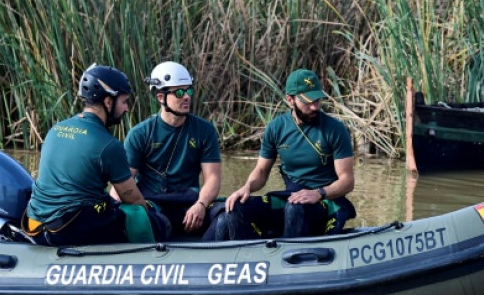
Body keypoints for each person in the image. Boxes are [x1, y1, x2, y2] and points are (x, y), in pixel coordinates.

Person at [24, 63, 170, 246]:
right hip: (68, 229)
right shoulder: (108, 145)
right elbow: (133, 199)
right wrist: (153, 214)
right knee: (152, 220)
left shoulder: (55, 129)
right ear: (108, 102)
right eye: (124, 102)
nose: (126, 109)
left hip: (35, 225)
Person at [215, 69, 356, 240]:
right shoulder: (276, 128)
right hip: (292, 197)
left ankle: (292, 260)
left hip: (324, 202)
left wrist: (319, 193)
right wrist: (247, 187)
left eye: (317, 100)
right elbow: (261, 171)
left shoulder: (335, 129)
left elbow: (347, 181)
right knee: (236, 207)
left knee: (294, 208)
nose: (314, 107)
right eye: (308, 102)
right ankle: (247, 258)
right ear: (290, 100)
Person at [122, 61, 223, 238]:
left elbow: (212, 177)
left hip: (189, 205)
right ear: (161, 97)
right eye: (179, 92)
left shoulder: (205, 130)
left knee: (226, 215)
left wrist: (201, 204)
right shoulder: (140, 133)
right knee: (144, 220)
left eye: (189, 90)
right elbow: (124, 182)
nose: (186, 97)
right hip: (152, 206)